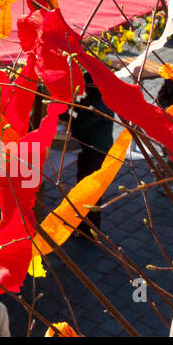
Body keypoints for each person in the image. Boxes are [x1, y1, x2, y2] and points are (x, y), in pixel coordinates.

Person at [68, 76, 115, 235]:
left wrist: (66, 115)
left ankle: (88, 230)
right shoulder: (97, 99)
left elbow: (79, 125)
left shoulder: (99, 106)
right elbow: (81, 108)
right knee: (86, 189)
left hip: (96, 152)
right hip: (92, 149)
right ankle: (84, 225)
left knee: (89, 191)